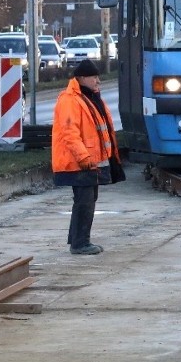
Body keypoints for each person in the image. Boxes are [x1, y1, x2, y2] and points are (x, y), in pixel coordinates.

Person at [52, 59, 121, 254]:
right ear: (81, 78)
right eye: (94, 77)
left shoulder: (88, 97)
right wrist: (83, 157)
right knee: (85, 201)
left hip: (90, 162)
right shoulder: (70, 100)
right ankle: (80, 244)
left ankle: (77, 240)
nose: (98, 81)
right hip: (78, 163)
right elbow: (69, 132)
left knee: (86, 199)